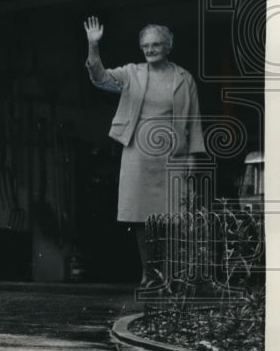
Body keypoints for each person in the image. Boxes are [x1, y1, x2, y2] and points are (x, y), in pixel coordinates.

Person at [83, 16, 205, 287]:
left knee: (175, 217)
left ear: (168, 46)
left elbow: (195, 119)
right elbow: (100, 78)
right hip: (138, 154)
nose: (150, 50)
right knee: (141, 217)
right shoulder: (132, 73)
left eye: (156, 45)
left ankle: (172, 275)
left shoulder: (184, 78)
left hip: (174, 155)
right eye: (146, 45)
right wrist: (94, 46)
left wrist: (194, 157)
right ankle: (149, 274)